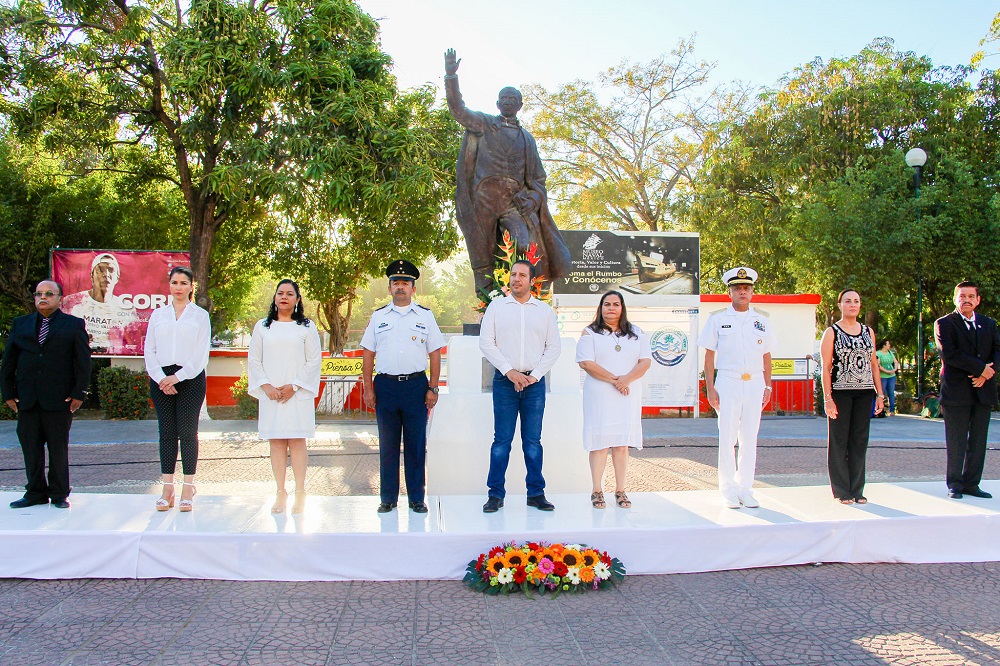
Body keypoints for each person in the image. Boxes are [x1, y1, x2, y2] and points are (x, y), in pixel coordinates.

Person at [444, 48, 571, 293]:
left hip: (513, 202)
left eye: (513, 98)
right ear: (497, 103)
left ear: (520, 105)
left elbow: (538, 178)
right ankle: (488, 300)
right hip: (484, 198)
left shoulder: (527, 139)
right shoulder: (484, 123)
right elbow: (458, 110)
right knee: (483, 253)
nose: (508, 101)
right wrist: (451, 77)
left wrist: (533, 199)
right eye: (504, 98)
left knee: (524, 245)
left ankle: (526, 295)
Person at [361, 260, 445, 514]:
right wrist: (368, 389)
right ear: (389, 288)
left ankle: (416, 498)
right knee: (387, 445)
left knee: (415, 445)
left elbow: (435, 353)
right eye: (396, 283)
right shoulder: (378, 317)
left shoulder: (425, 316)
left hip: (415, 387)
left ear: (413, 288)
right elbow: (368, 354)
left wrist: (433, 388)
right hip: (385, 386)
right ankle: (388, 498)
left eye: (405, 283)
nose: (400, 287)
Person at [480, 259, 561, 512]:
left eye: (522, 275)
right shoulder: (496, 307)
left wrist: (533, 376)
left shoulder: (544, 312)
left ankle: (536, 494)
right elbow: (486, 343)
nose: (516, 279)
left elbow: (553, 348)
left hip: (534, 386)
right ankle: (495, 495)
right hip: (505, 383)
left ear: (532, 281)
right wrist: (510, 372)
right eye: (513, 274)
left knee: (533, 442)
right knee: (501, 442)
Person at [1, 280, 91, 509]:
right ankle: (35, 493)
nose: (43, 297)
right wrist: (8, 392)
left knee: (57, 448)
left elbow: (82, 362)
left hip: (59, 399)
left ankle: (59, 493)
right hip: (27, 398)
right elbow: (9, 361)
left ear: (60, 299)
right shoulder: (20, 324)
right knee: (30, 447)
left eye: (49, 294)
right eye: (39, 294)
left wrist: (79, 393)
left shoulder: (73, 325)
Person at [698, 267, 774, 509]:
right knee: (728, 437)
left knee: (750, 438)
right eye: (738, 288)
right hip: (728, 381)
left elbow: (766, 356)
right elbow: (709, 356)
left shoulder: (762, 320)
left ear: (752, 292)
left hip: (755, 382)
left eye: (746, 288)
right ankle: (729, 489)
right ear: (729, 292)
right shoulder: (717, 319)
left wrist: (768, 385)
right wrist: (710, 388)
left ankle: (745, 489)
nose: (742, 292)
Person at [248, 280, 322, 514]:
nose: (284, 297)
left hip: (297, 395)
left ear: (297, 299)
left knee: (297, 441)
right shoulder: (263, 327)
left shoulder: (306, 327)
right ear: (275, 297)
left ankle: (300, 492)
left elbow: (314, 361)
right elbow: (254, 360)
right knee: (277, 442)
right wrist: (266, 386)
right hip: (272, 395)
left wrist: (295, 386)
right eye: (280, 293)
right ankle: (281, 492)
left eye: (290, 294)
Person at [143, 267, 211, 512]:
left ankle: (188, 487)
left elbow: (201, 354)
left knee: (188, 432)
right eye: (174, 282)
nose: (179, 287)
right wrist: (163, 378)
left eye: (184, 283)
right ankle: (167, 488)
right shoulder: (158, 315)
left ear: (192, 286)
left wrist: (177, 378)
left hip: (190, 379)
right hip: (161, 380)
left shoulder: (200, 316)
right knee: (167, 433)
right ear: (169, 285)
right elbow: (149, 350)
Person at [575, 291, 651, 509]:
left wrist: (626, 379)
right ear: (601, 308)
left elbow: (645, 362)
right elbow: (586, 363)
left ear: (622, 307)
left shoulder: (636, 333)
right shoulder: (590, 332)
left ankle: (620, 490)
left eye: (616, 304)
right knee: (599, 444)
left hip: (627, 394)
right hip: (600, 395)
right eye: (607, 304)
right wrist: (616, 380)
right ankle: (597, 490)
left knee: (621, 444)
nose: (611, 308)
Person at [934, 281, 1000, 500]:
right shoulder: (944, 323)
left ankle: (972, 484)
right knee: (957, 441)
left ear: (978, 300)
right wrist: (980, 369)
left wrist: (987, 374)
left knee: (978, 441)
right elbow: (949, 354)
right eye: (962, 296)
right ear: (955, 299)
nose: (966, 300)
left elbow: (997, 351)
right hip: (956, 392)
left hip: (983, 391)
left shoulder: (988, 323)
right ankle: (955, 484)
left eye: (971, 296)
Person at [820, 289, 884, 505]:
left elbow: (873, 364)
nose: (853, 304)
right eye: (848, 301)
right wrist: (827, 398)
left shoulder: (868, 332)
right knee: (839, 441)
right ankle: (841, 490)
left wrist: (880, 394)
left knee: (859, 441)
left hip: (864, 393)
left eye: (856, 301)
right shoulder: (832, 332)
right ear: (840, 305)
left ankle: (857, 489)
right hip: (840, 393)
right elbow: (826, 367)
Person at [62, 252, 139, 354]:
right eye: (100, 270)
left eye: (111, 270)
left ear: (117, 277)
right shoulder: (73, 302)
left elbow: (133, 346)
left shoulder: (127, 308)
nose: (106, 275)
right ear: (92, 275)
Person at [876, 340, 901, 416]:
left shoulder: (890, 353)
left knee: (891, 393)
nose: (889, 345)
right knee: (882, 393)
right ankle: (880, 409)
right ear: (884, 345)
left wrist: (894, 369)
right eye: (888, 344)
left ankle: (892, 410)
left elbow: (895, 361)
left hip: (892, 376)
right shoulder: (878, 353)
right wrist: (886, 371)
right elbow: (878, 365)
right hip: (883, 376)